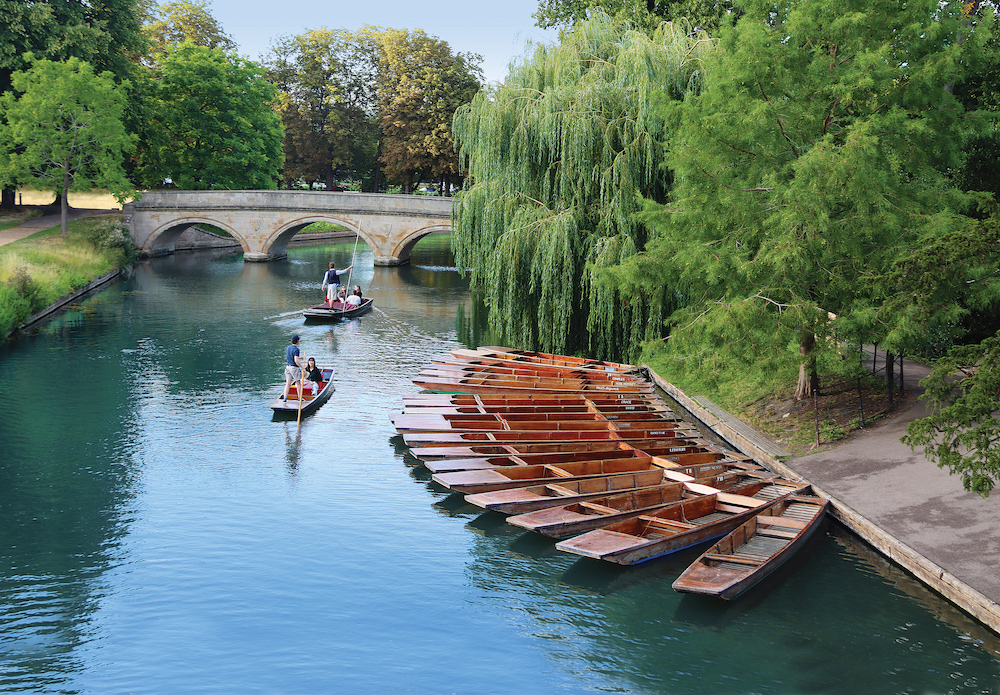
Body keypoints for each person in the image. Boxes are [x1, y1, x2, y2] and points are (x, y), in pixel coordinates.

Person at [282, 334, 304, 402]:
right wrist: (302, 367)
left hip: (288, 367)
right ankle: (300, 398)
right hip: (294, 368)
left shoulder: (288, 348)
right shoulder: (296, 349)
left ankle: (285, 398)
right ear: (297, 341)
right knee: (298, 383)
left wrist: (300, 358)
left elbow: (291, 357)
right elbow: (296, 361)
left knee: (288, 383)